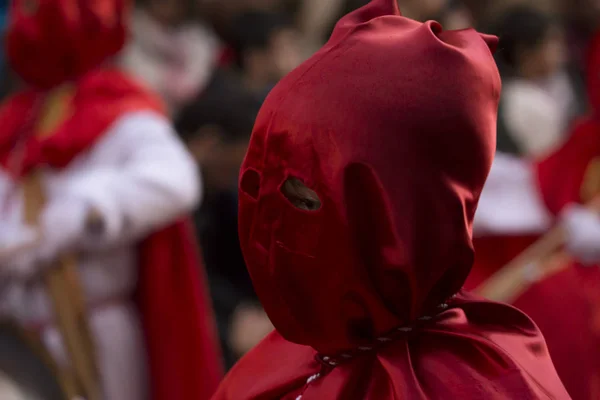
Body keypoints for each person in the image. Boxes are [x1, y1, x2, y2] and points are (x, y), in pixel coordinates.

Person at [212, 1, 570, 399]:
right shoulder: (278, 361)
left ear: (400, 217)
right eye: (257, 190)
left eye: (308, 204)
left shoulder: (486, 384)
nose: (272, 239)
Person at [0, 1, 222, 400]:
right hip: (16, 335)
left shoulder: (120, 106)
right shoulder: (20, 120)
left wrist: (78, 214)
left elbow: (176, 180)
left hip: (94, 332)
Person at [176, 76, 272, 368]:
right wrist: (232, 320)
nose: (237, 175)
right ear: (209, 142)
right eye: (235, 164)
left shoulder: (216, 196)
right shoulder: (167, 202)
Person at [120, 0, 220, 115]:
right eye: (162, 2)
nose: (168, 7)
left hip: (182, 115)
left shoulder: (197, 38)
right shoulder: (131, 26)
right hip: (134, 106)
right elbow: (132, 73)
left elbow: (190, 86)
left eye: (176, 3)